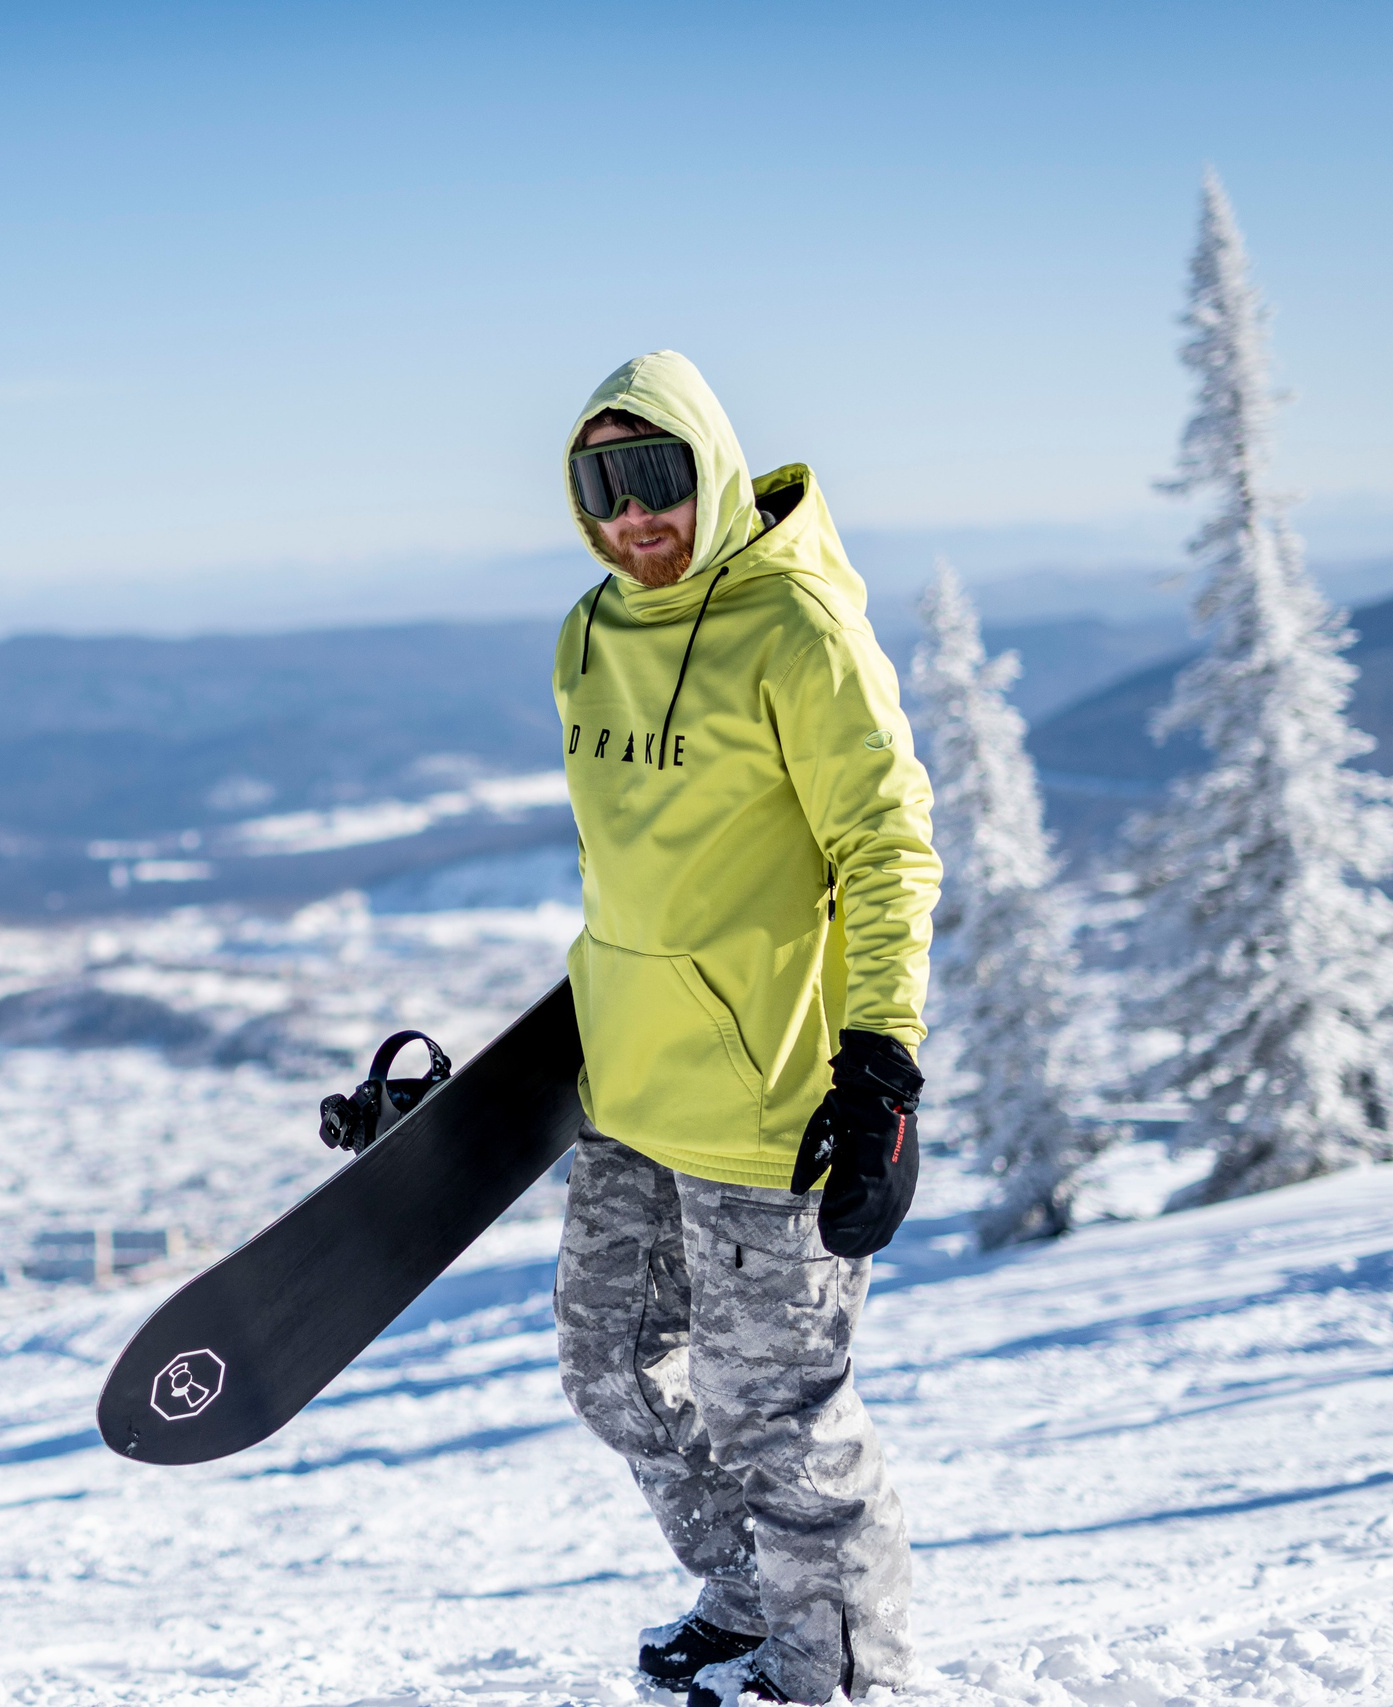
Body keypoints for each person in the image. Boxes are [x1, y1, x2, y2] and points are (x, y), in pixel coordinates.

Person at [550, 351, 938, 1705]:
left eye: (655, 477)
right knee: (609, 1371)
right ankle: (748, 1595)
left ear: (708, 467)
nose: (633, 516)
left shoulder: (798, 630)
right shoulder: (588, 634)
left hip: (771, 1107)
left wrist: (882, 1064)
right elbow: (636, 878)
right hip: (631, 1095)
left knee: (783, 1423)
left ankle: (835, 1677)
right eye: (603, 484)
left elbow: (887, 846)